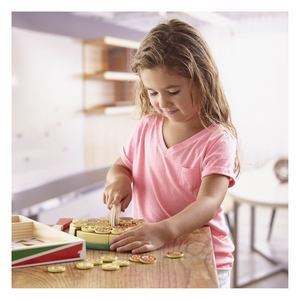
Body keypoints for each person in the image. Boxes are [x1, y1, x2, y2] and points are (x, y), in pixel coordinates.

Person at [103, 19, 241, 288]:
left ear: (202, 80)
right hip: (151, 250)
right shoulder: (147, 126)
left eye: (173, 91)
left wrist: (162, 230)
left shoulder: (217, 138)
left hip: (202, 258)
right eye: (152, 92)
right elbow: (120, 167)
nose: (162, 103)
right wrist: (118, 180)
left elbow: (208, 202)